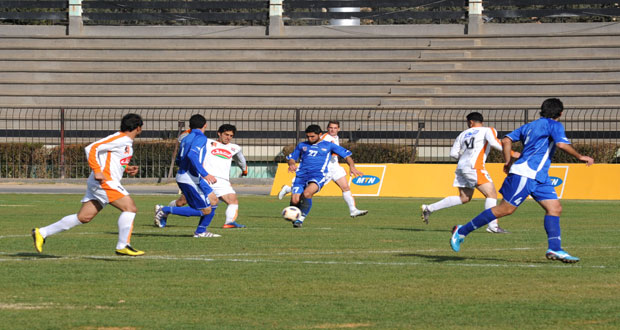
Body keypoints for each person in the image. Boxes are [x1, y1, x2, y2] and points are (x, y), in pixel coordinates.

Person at [450, 98, 594, 263]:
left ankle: (555, 248)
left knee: (555, 208)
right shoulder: (555, 125)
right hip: (525, 174)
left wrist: (507, 160)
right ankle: (462, 231)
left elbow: (506, 140)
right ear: (560, 113)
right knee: (505, 209)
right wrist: (580, 156)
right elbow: (561, 145)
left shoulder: (530, 125)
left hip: (540, 177)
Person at [32, 113, 145, 256]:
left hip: (102, 181)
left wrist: (126, 168)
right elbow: (91, 148)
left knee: (84, 217)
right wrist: (97, 171)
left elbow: (111, 160)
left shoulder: (125, 142)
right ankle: (123, 245)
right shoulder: (120, 138)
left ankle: (42, 232)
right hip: (104, 181)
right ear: (138, 128)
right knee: (130, 208)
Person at [421, 112, 515, 233]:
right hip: (475, 167)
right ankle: (493, 226)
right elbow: (494, 143)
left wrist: (465, 156)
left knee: (464, 198)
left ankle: (429, 208)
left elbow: (453, 154)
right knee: (491, 194)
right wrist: (511, 153)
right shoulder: (488, 130)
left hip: (461, 167)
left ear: (470, 122)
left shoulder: (462, 134)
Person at [155, 124, 248, 229]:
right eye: (226, 134)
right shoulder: (206, 141)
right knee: (182, 202)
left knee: (233, 200)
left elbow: (241, 160)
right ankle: (165, 211)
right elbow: (190, 138)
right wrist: (189, 131)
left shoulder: (235, 148)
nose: (228, 137)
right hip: (205, 179)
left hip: (222, 182)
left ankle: (229, 222)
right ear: (219, 133)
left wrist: (244, 169)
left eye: (231, 136)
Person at [278, 120, 368, 217]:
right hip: (324, 169)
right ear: (327, 128)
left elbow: (341, 154)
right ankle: (289, 189)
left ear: (339, 129)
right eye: (330, 128)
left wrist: (352, 166)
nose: (333, 130)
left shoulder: (335, 138)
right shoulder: (323, 138)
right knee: (309, 191)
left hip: (335, 167)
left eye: (335, 128)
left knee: (345, 187)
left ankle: (353, 210)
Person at [154, 114, 221, 238]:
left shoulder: (186, 137)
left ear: (190, 126)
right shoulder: (201, 137)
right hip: (189, 178)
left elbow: (179, 159)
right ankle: (165, 210)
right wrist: (205, 174)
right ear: (205, 125)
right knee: (204, 210)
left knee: (214, 200)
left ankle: (201, 231)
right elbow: (192, 155)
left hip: (190, 176)